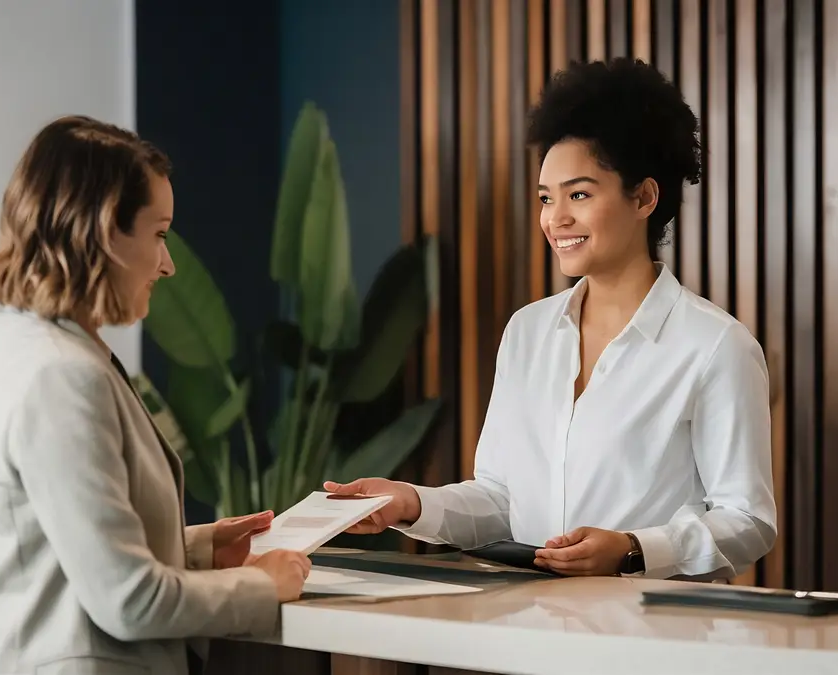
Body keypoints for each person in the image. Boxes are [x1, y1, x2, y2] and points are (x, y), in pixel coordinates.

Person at [325, 58, 776, 580]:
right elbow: (499, 498)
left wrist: (634, 548)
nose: (555, 219)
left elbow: (748, 520)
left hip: (661, 638)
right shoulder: (527, 332)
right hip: (535, 629)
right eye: (546, 198)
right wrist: (411, 503)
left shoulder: (717, 345)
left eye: (579, 195)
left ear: (644, 197)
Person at [0, 115, 310, 675]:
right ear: (102, 232)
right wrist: (259, 586)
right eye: (159, 233)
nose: (168, 265)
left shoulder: (11, 345)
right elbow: (129, 602)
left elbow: (60, 550)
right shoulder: (61, 375)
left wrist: (196, 549)